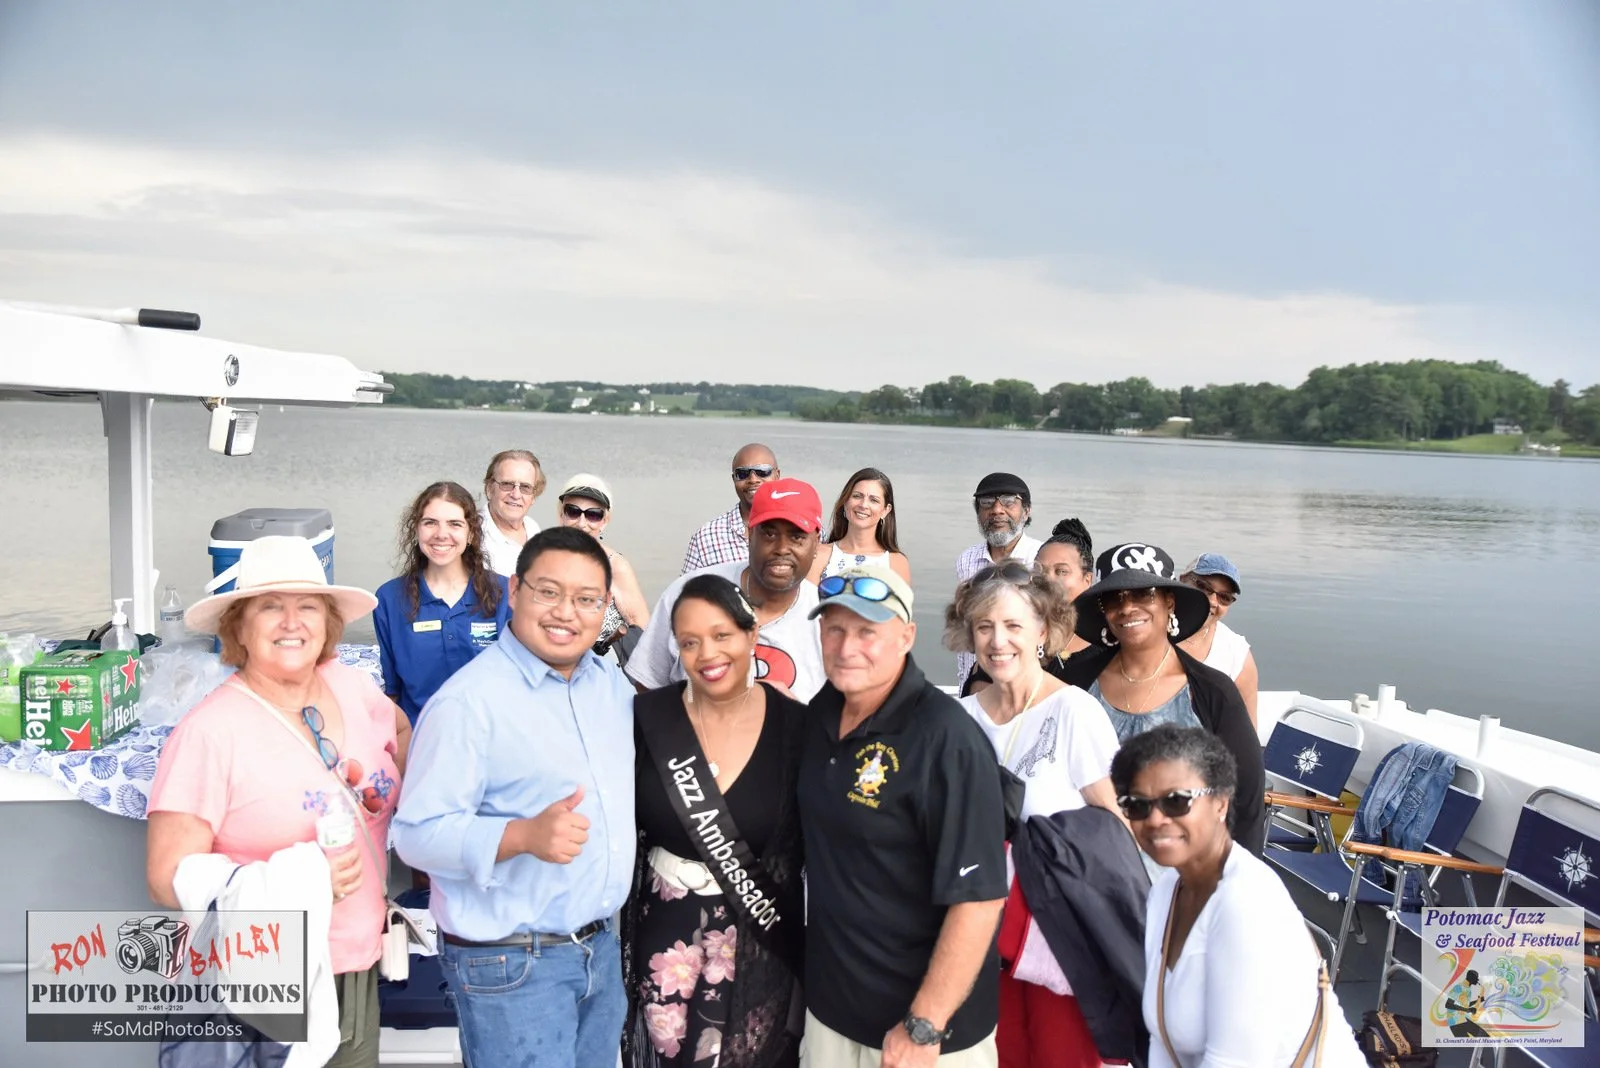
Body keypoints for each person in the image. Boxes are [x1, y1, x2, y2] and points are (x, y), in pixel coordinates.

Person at [147, 535, 408, 1068]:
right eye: (271, 606)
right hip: (270, 983)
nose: (293, 622)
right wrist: (307, 876)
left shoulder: (351, 686)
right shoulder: (211, 732)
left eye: (308, 606)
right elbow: (165, 875)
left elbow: (399, 731)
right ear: (238, 626)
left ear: (329, 621)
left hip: (358, 969)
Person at [392, 527, 636, 1068]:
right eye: (548, 592)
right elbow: (414, 835)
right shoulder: (468, 703)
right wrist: (520, 835)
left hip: (598, 951)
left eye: (587, 599)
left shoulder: (609, 687)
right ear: (515, 591)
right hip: (513, 965)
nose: (566, 613)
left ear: (605, 608)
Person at [799, 565, 1008, 1066]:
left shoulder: (947, 740)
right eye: (835, 629)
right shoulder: (820, 714)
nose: (847, 647)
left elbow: (979, 901)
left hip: (926, 1034)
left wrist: (925, 1024)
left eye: (868, 631)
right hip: (832, 1012)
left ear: (906, 637)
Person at [945, 562, 1124, 1068]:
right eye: (984, 627)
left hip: (1059, 939)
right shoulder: (959, 719)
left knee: (1062, 1056)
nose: (997, 641)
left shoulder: (1074, 712)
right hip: (978, 939)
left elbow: (1115, 831)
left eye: (1013, 626)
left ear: (1043, 631)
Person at [626, 574, 807, 1068]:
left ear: (752, 636)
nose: (707, 653)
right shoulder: (645, 718)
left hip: (758, 931)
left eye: (722, 635)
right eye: (689, 642)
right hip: (664, 930)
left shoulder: (796, 727)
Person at [1111, 726, 1365, 1067]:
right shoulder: (1167, 890)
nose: (1155, 819)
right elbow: (1163, 1041)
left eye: (1176, 800)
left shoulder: (1244, 903)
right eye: (1138, 806)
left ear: (1220, 802)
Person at [1057, 542, 1266, 855]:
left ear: (1170, 601)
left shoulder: (1212, 692)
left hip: (1181, 876)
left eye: (1144, 594)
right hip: (1087, 868)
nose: (1127, 608)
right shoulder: (1073, 681)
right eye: (1114, 598)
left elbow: (1246, 798)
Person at [633, 479, 826, 701]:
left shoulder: (827, 620)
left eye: (797, 537)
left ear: (816, 543)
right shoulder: (689, 594)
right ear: (750, 534)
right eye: (769, 534)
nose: (781, 549)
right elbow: (647, 684)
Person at [374, 481, 511, 726]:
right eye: (430, 522)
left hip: (488, 735)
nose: (441, 534)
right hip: (421, 737)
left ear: (470, 533)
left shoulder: (504, 593)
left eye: (454, 524)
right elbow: (392, 693)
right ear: (416, 529)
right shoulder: (389, 599)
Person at [961, 517, 1095, 696]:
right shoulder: (1012, 638)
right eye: (1040, 570)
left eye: (1061, 571)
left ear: (1088, 580)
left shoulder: (1105, 647)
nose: (1048, 580)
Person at [954, 473, 1043, 690]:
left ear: (1027, 510)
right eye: (986, 502)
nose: (997, 510)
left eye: (1009, 501)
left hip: (1025, 687)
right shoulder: (967, 559)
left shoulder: (1041, 557)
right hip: (972, 684)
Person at [554, 473, 652, 657]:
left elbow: (642, 628)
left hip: (602, 667)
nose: (581, 523)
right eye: (573, 511)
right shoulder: (544, 560)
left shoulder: (615, 566)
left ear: (604, 521)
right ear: (561, 514)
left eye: (593, 515)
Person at [1177, 554, 1259, 726]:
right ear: (1182, 580)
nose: (1213, 601)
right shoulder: (1150, 630)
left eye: (1225, 597)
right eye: (1203, 587)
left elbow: (1248, 731)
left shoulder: (1237, 654)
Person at [681, 443, 780, 573]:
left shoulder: (800, 529)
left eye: (762, 472)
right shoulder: (706, 537)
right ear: (734, 479)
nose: (753, 479)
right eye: (742, 474)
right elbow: (686, 589)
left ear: (777, 475)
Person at [808, 466, 913, 585]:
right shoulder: (819, 555)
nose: (863, 505)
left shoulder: (896, 562)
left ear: (885, 510)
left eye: (874, 500)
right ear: (845, 502)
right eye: (857, 496)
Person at [480, 448, 547, 577]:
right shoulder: (472, 535)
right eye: (507, 484)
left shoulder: (532, 527)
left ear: (533, 496)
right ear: (489, 488)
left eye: (525, 487)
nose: (516, 495)